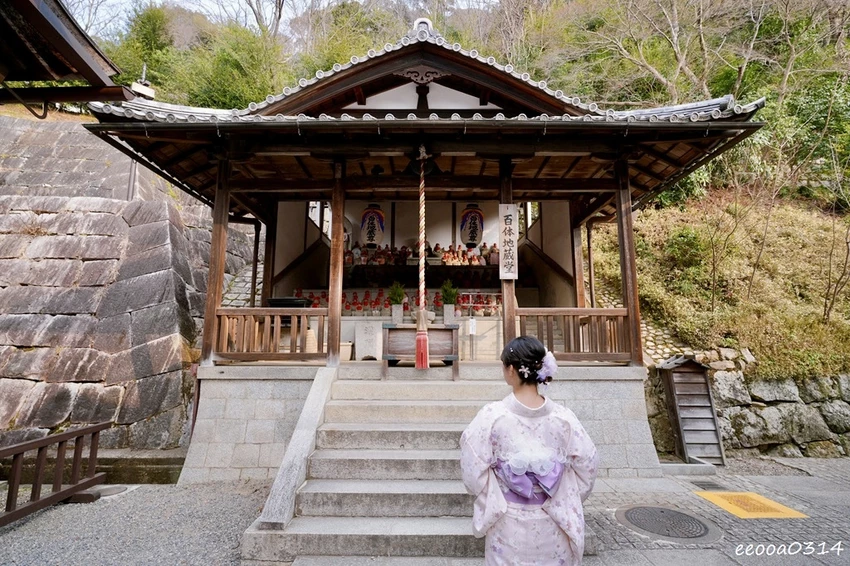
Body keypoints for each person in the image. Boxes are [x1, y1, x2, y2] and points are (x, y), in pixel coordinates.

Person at [460, 336, 598, 565]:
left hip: (507, 519)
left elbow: (472, 470)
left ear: (511, 369)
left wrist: (497, 492)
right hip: (553, 518)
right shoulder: (564, 418)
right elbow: (588, 464)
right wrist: (562, 492)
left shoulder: (492, 416)